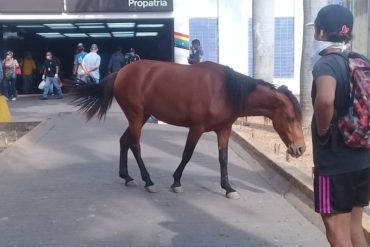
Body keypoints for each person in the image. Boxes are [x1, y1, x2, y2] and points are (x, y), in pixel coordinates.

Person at [311, 5, 370, 247]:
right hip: (363, 159)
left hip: (334, 163)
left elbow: (325, 100)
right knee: (355, 228)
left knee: (336, 231)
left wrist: (323, 131)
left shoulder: (326, 64)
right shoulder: (361, 60)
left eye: (316, 30)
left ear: (322, 33)